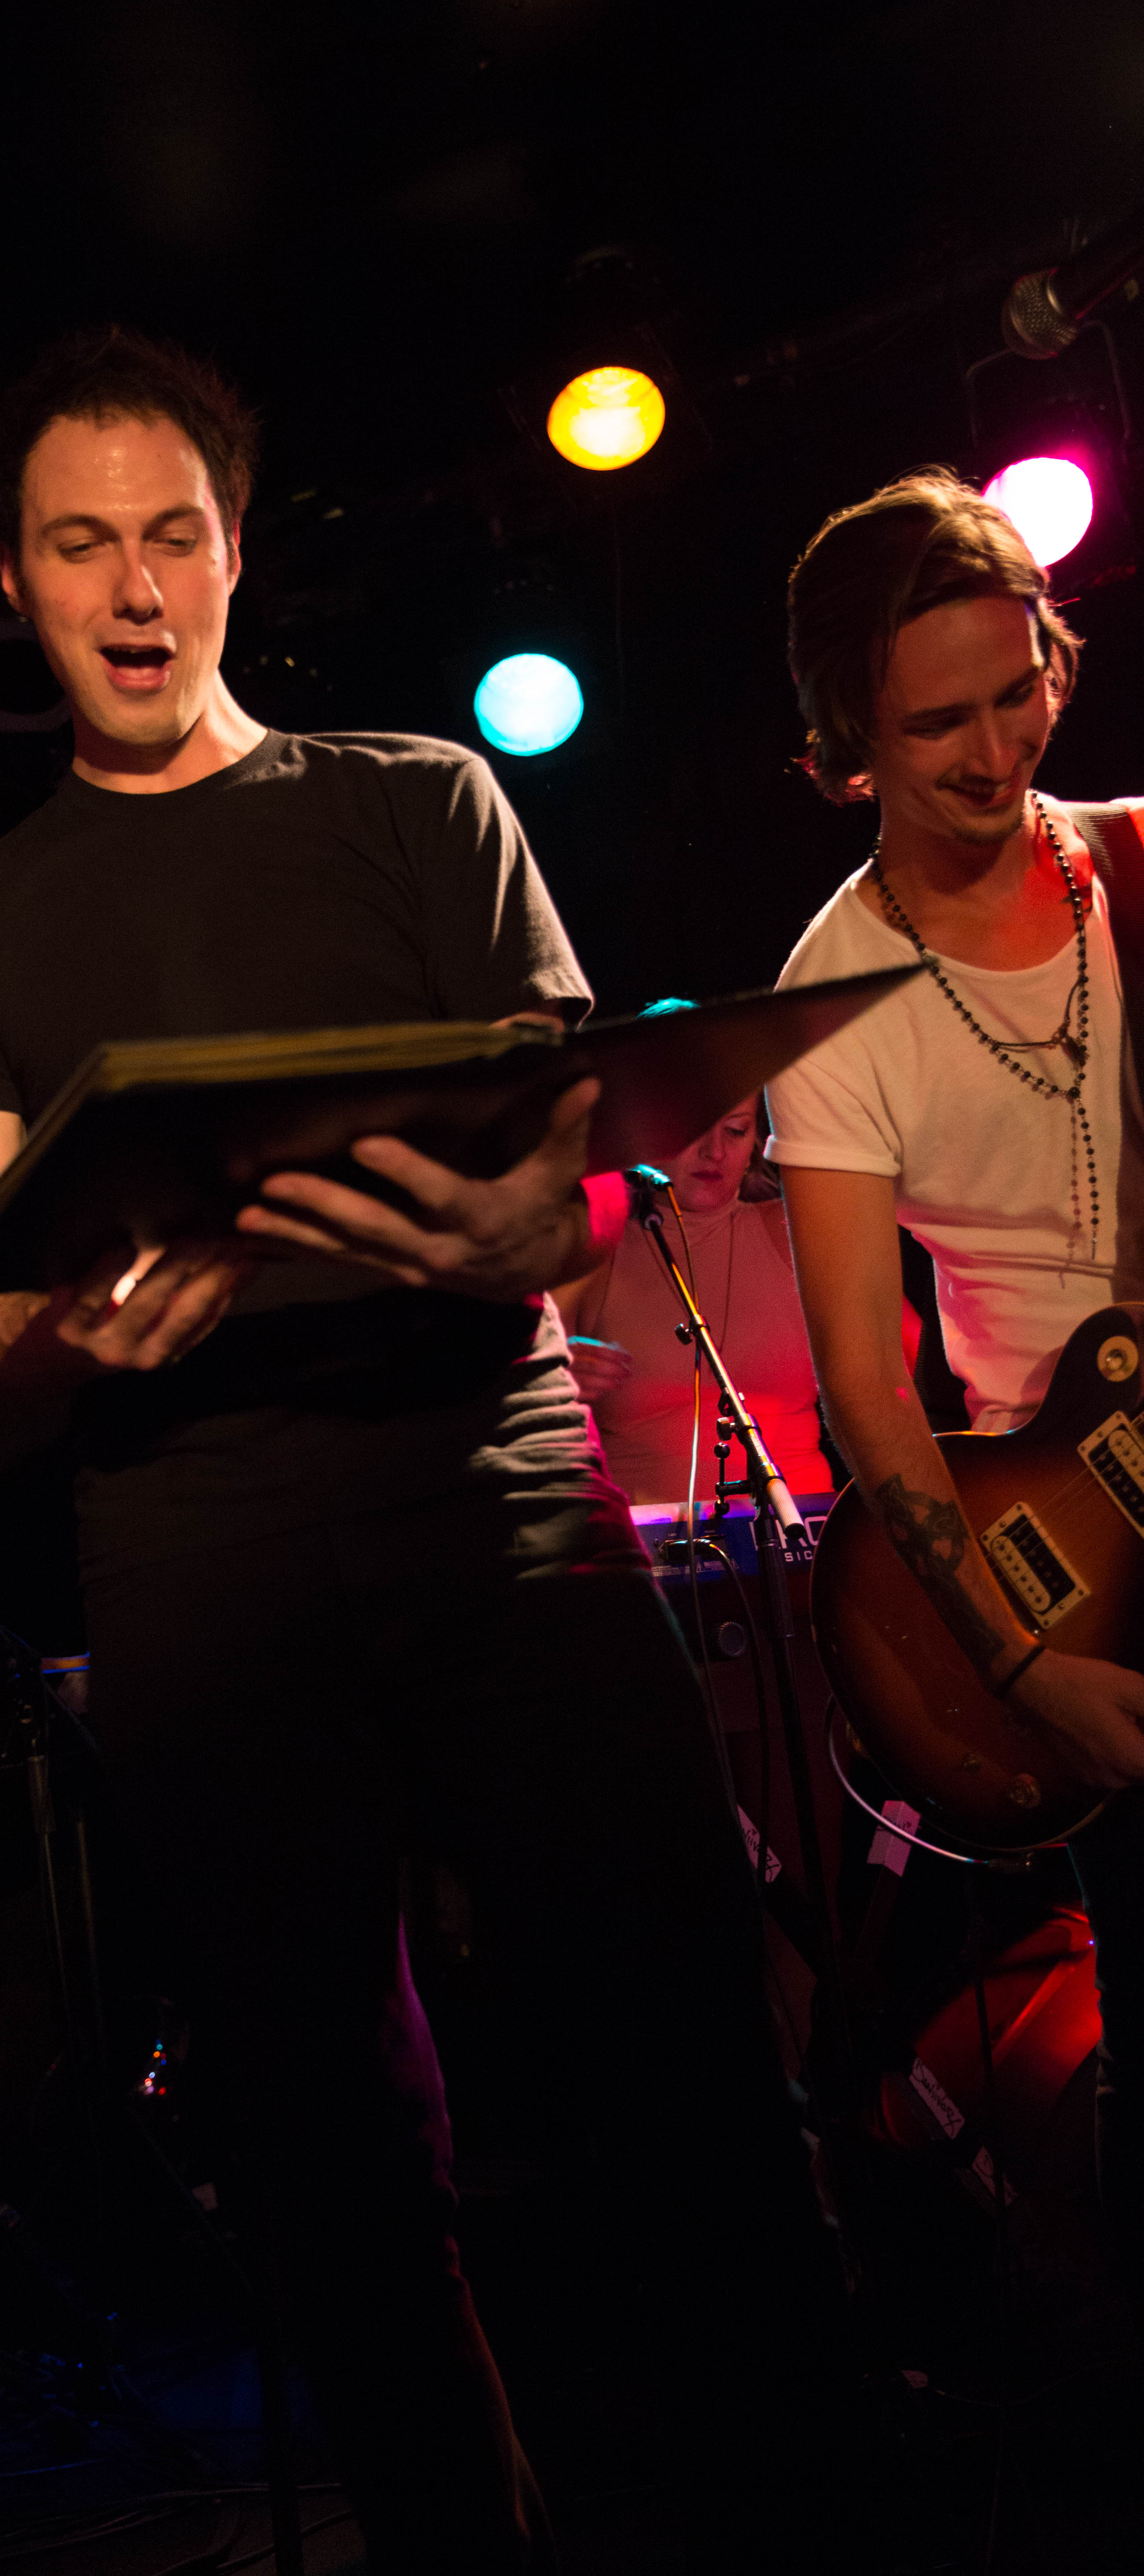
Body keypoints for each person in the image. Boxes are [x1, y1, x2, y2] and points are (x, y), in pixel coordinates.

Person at [0, 326, 856, 2572]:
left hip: (488, 1461)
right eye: (79, 547)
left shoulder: (419, 798)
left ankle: (780, 2506)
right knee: (321, 2127)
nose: (135, 589)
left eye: (171, 536)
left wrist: (542, 1222)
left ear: (236, 551)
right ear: (13, 585)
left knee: (675, 2030)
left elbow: (583, 1168)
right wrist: (71, 1323)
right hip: (191, 1526)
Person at [764, 463, 1144, 2307]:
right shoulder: (831, 997)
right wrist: (1023, 1668)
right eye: (939, 728)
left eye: (1020, 694)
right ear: (847, 746)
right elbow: (863, 1384)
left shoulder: (1138, 869)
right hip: (1088, 1567)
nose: (998, 754)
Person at [555, 1081, 833, 1504]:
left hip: (797, 1528)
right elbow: (505, 1391)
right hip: (645, 1533)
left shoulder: (796, 1231)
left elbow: (907, 1367)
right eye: (693, 1129)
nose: (715, 1152)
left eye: (736, 1131)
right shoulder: (590, 1245)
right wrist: (554, 1379)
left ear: (757, 1141)